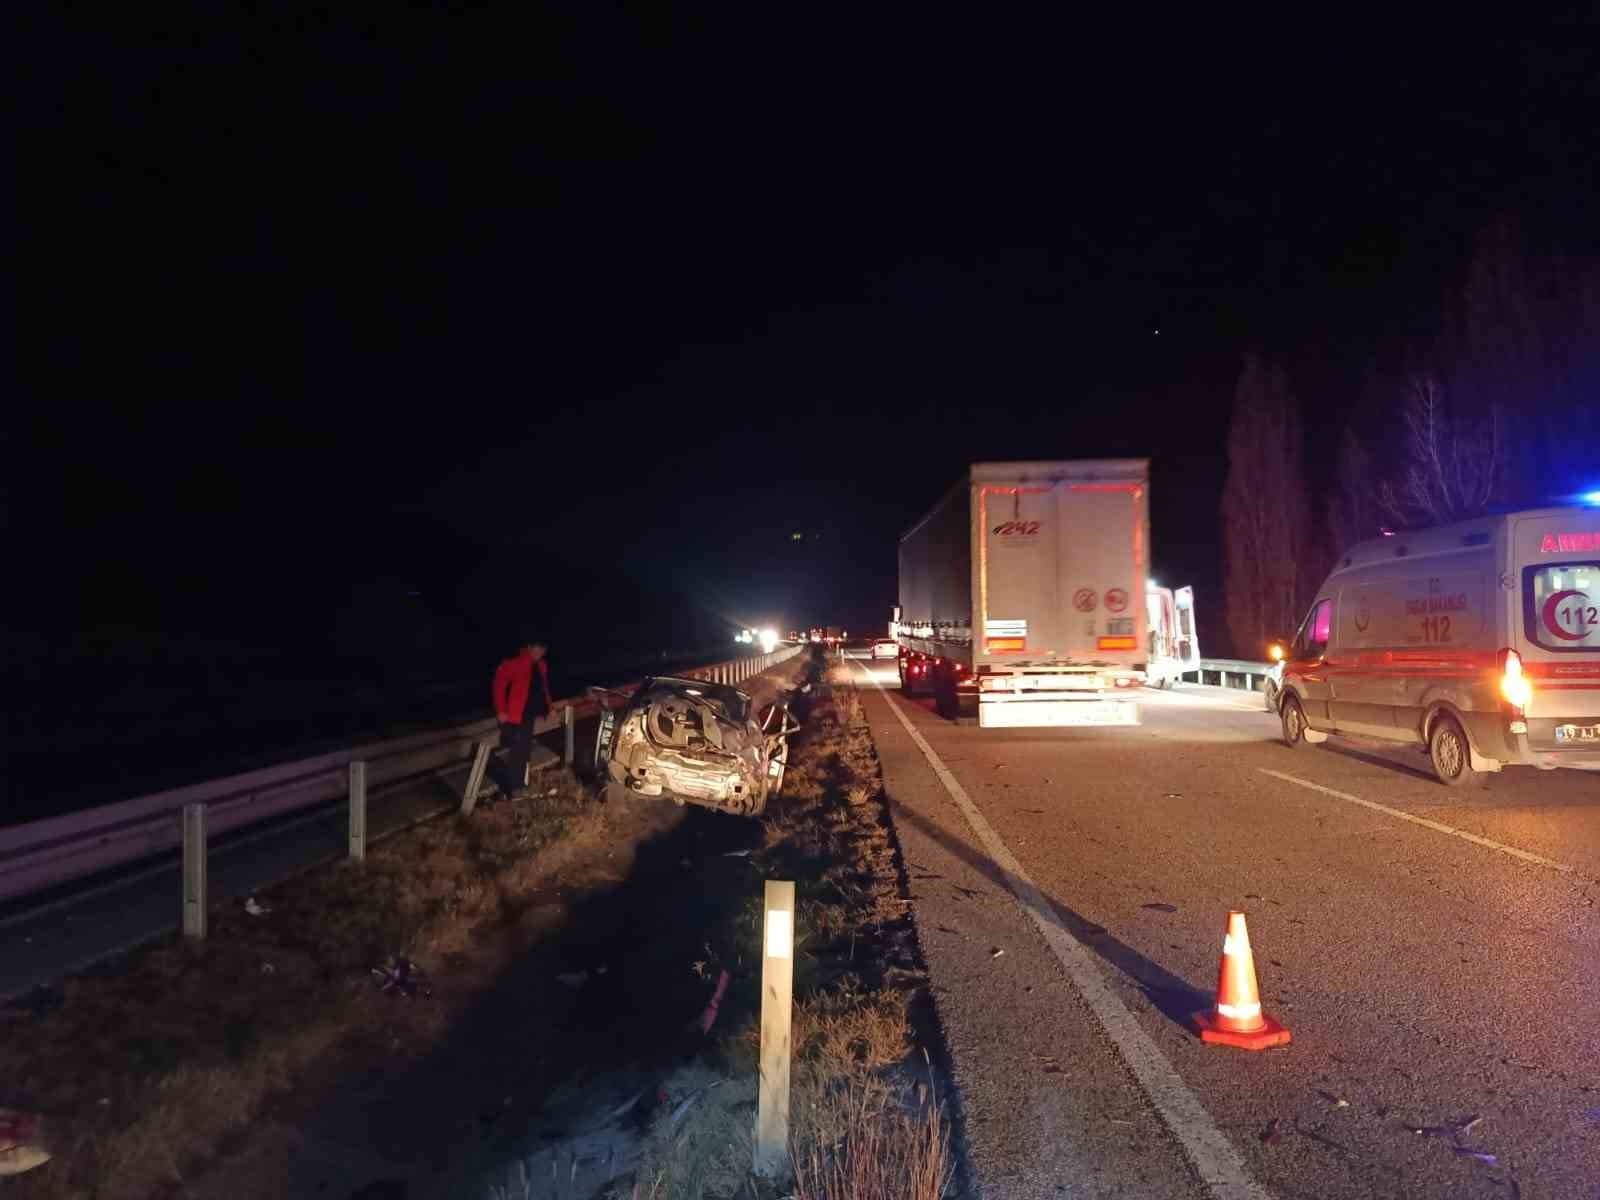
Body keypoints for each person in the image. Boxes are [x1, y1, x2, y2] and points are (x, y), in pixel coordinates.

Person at [487, 638, 558, 799]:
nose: (539, 653)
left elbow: (544, 689)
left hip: (529, 715)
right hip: (515, 716)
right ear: (529, 647)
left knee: (524, 751)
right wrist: (501, 711)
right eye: (536, 649)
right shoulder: (515, 662)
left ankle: (519, 784)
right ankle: (515, 789)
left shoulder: (541, 665)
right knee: (518, 752)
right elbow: (499, 685)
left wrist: (550, 708)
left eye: (542, 650)